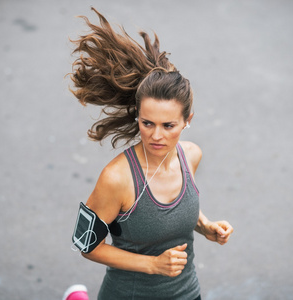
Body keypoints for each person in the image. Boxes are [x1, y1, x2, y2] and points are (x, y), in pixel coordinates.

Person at [66, 8, 233, 300]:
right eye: (147, 123)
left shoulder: (191, 156)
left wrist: (205, 226)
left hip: (187, 293)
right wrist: (152, 265)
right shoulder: (117, 178)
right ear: (137, 118)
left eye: (168, 125)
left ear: (187, 120)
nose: (156, 135)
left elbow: (173, 213)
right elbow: (85, 244)